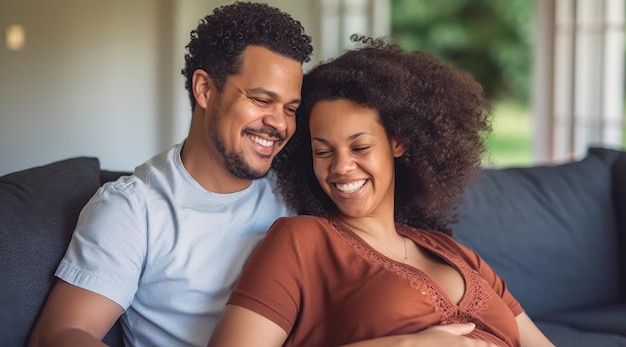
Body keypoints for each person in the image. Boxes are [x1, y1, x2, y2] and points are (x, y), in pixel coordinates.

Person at [207, 36, 555, 347]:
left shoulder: (454, 253)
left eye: (360, 148)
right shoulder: (301, 242)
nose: (341, 167)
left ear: (398, 143)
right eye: (323, 152)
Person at [27, 2, 313, 347]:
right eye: (261, 99)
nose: (280, 124)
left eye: (290, 109)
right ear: (205, 89)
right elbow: (62, 333)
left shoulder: (294, 190)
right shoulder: (135, 207)